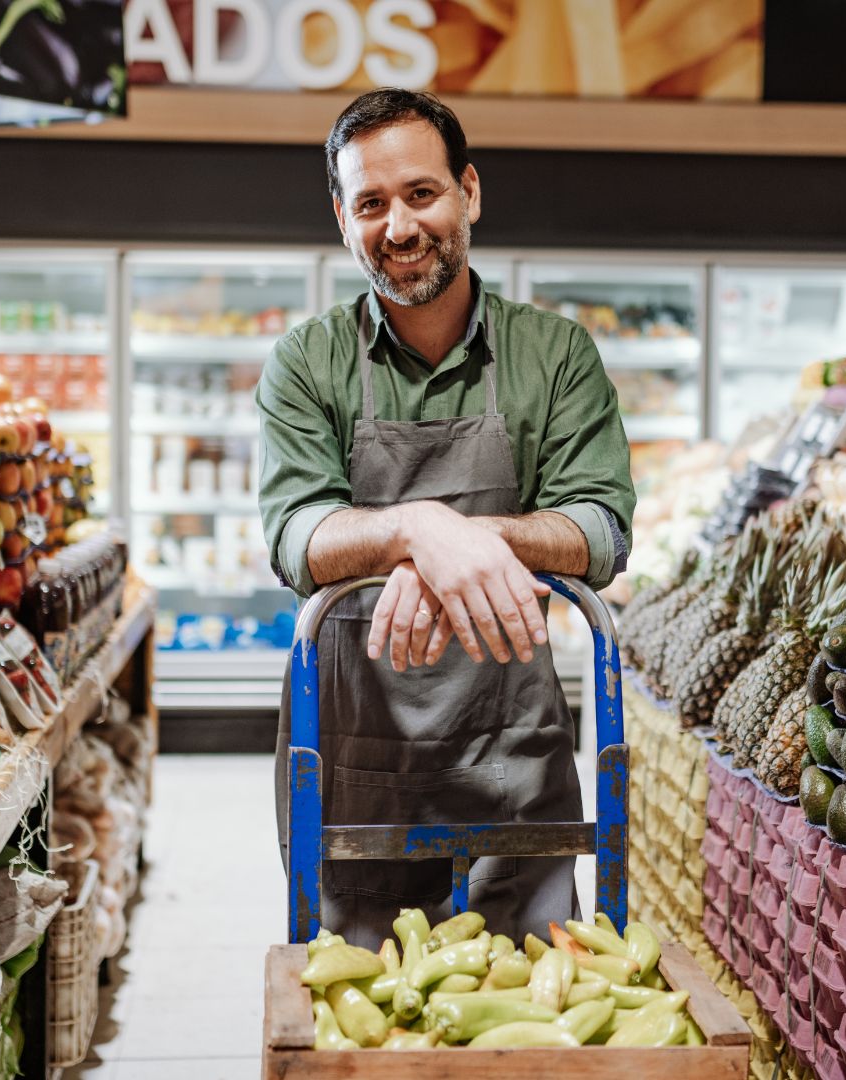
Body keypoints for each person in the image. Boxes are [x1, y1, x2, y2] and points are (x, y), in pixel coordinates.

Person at [259, 88, 635, 946]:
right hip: (354, 752)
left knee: (530, 1016)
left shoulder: (556, 354)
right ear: (342, 218)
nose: (399, 227)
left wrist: (471, 543)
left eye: (421, 193)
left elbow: (602, 528)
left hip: (512, 747)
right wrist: (418, 529)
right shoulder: (306, 362)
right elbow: (295, 535)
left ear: (469, 190)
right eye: (371, 204)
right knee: (364, 1022)